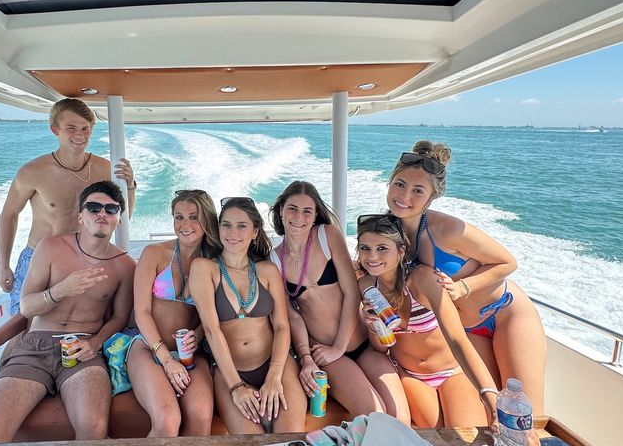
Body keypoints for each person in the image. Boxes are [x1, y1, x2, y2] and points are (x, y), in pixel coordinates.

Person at [386, 140, 546, 413]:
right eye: (399, 184)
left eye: (418, 190)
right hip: (467, 328)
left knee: (525, 412)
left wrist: (463, 287)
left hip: (504, 313)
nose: (405, 196)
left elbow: (507, 262)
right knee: (491, 412)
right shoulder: (389, 230)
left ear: (431, 197)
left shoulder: (448, 229)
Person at [0, 181, 136, 442]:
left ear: (119, 219)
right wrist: (60, 290)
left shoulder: (125, 265)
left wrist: (95, 343)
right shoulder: (50, 247)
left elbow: (119, 318)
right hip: (36, 345)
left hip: (84, 350)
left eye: (111, 209)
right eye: (93, 207)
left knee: (93, 431)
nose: (101, 214)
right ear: (80, 216)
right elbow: (26, 306)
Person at [268, 181, 409, 423]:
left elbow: (352, 293)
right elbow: (293, 316)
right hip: (325, 353)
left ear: (315, 216)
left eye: (307, 211)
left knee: (400, 419)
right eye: (292, 208)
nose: (299, 217)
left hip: (361, 344)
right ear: (280, 210)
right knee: (373, 412)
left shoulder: (327, 235)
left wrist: (339, 347)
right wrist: (306, 358)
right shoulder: (274, 260)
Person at [356, 214, 498, 428]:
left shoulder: (423, 279)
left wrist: (492, 401)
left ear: (401, 251)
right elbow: (380, 347)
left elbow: (458, 339)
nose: (372, 256)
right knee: (436, 437)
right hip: (410, 375)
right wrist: (374, 326)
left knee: (465, 435)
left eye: (382, 248)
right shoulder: (367, 284)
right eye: (365, 248)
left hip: (452, 372)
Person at [0, 98, 136, 316]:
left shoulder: (105, 168)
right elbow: (9, 215)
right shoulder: (33, 171)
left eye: (85, 128)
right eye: (71, 128)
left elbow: (120, 217)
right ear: (55, 130)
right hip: (38, 258)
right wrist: (3, 265)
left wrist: (130, 186)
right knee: (22, 320)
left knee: (80, 320)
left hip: (85, 257)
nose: (80, 135)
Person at [189, 197, 306, 434]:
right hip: (230, 372)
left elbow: (282, 326)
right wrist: (235, 386)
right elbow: (211, 330)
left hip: (276, 365)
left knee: (289, 437)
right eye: (226, 225)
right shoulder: (204, 268)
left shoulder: (267, 270)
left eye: (242, 225)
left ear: (255, 231)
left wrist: (274, 375)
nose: (233, 232)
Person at [126, 190, 220, 436]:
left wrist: (197, 336)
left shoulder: (216, 262)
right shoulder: (154, 254)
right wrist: (167, 359)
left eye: (193, 217)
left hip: (191, 352)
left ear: (207, 220)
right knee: (167, 421)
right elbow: (141, 312)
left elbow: (216, 314)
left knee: (200, 418)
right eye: (179, 217)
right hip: (148, 347)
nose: (185, 225)